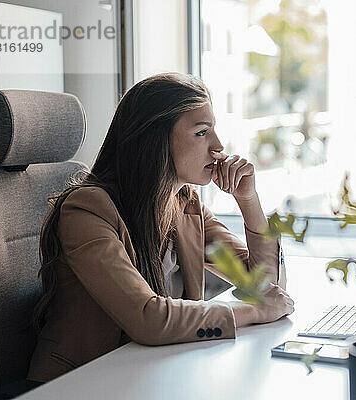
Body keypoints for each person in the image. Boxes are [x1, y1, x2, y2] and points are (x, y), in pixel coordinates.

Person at [27, 72, 295, 382]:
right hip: (82, 383)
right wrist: (256, 313)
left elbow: (264, 286)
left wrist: (249, 200)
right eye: (201, 133)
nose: (218, 146)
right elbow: (149, 319)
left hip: (152, 373)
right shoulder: (87, 211)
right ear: (156, 138)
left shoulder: (186, 206)